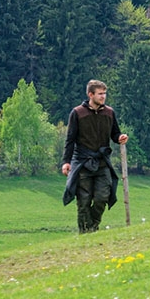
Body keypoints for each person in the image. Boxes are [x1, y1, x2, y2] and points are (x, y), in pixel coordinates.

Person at [62, 79, 129, 233]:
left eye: (104, 93)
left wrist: (120, 138)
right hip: (82, 163)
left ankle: (92, 226)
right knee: (83, 202)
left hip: (102, 162)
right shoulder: (77, 113)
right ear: (90, 94)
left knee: (102, 197)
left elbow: (115, 134)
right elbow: (70, 139)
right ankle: (85, 232)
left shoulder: (109, 112)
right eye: (100, 94)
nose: (103, 97)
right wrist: (66, 162)